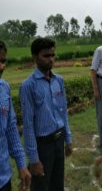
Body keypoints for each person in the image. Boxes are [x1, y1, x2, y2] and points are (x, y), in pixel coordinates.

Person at [19, 38, 72, 191]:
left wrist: (68, 139)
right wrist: (34, 159)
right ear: (35, 57)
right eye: (46, 56)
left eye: (53, 55)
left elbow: (63, 112)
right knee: (41, 186)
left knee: (57, 184)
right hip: (43, 145)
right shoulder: (28, 86)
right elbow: (28, 125)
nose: (51, 59)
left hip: (58, 139)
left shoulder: (58, 81)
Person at [0, 40, 31, 191]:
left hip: (4, 177)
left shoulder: (4, 88)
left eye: (3, 61)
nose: (1, 66)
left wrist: (21, 164)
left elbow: (11, 128)